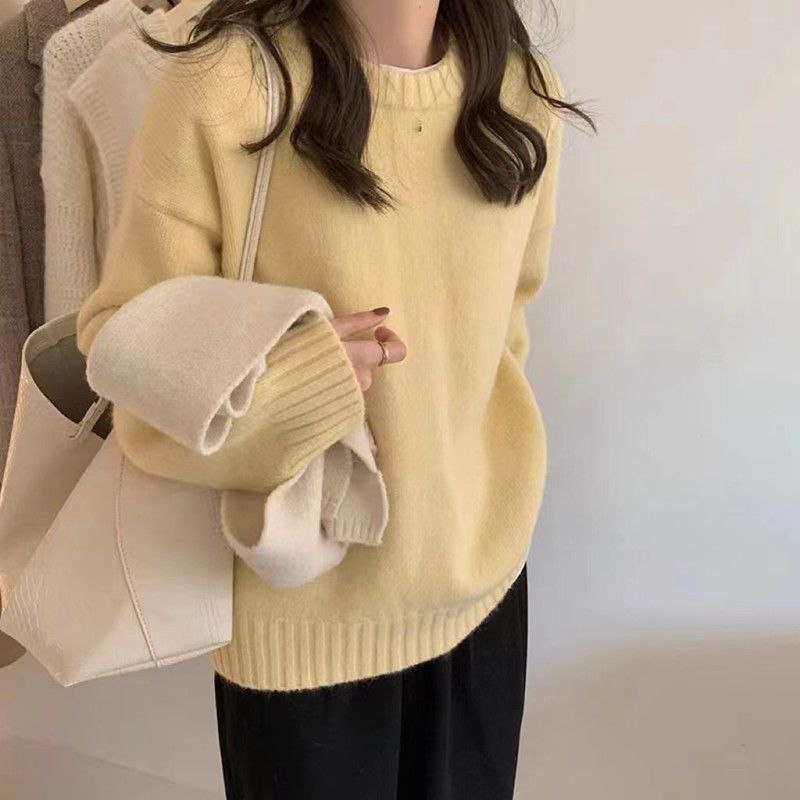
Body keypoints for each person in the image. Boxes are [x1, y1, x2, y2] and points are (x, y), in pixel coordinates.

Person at [76, 0, 594, 796]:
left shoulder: (520, 93)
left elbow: (503, 342)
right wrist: (302, 390)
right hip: (301, 623)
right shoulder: (231, 86)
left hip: (483, 597)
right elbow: (128, 364)